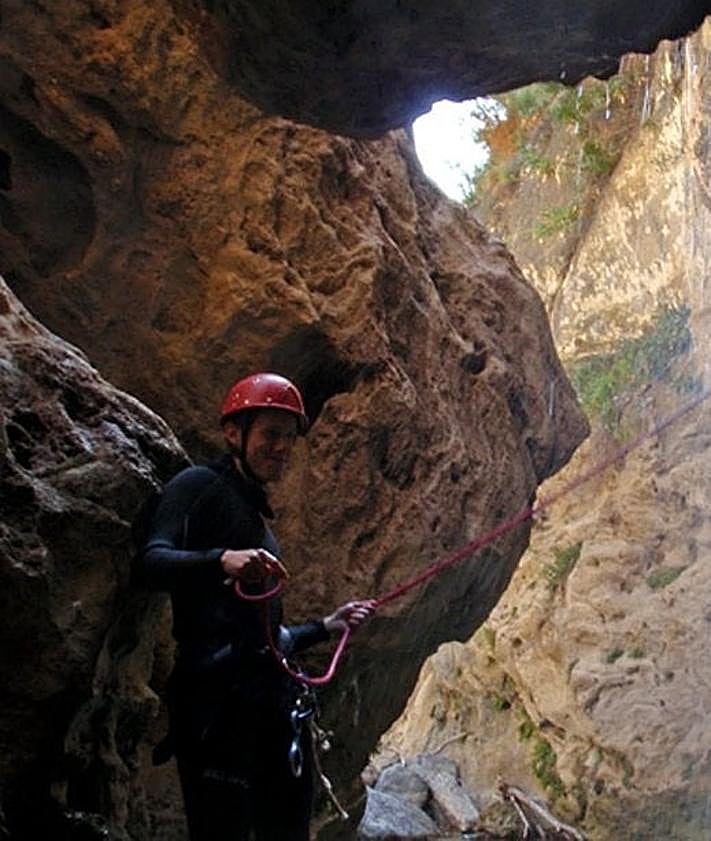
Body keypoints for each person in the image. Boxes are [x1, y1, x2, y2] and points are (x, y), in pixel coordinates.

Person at [138, 372, 374, 841]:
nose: (282, 448)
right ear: (233, 433)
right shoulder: (198, 487)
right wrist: (220, 560)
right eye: (270, 434)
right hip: (215, 711)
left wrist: (327, 625)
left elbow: (264, 636)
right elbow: (149, 563)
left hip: (270, 708)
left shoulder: (257, 522)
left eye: (289, 438)